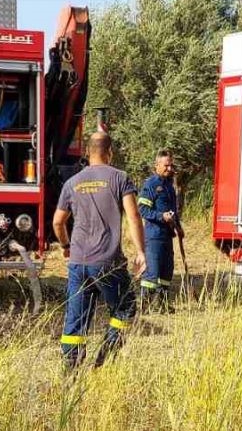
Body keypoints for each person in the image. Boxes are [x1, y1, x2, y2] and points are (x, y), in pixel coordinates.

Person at [53, 130, 145, 369]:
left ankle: (70, 370)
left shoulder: (71, 183)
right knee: (125, 306)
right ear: (110, 152)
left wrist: (65, 246)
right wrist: (141, 252)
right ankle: (104, 360)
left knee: (76, 318)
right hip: (107, 261)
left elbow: (57, 222)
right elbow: (133, 217)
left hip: (77, 261)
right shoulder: (119, 177)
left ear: (87, 152)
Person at [137, 149, 181, 309]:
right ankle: (143, 305)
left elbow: (174, 211)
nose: (169, 168)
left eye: (171, 165)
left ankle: (161, 304)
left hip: (167, 236)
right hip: (153, 236)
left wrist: (179, 227)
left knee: (166, 271)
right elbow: (142, 209)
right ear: (157, 165)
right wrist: (161, 216)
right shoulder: (150, 184)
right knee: (152, 273)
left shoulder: (170, 186)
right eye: (166, 165)